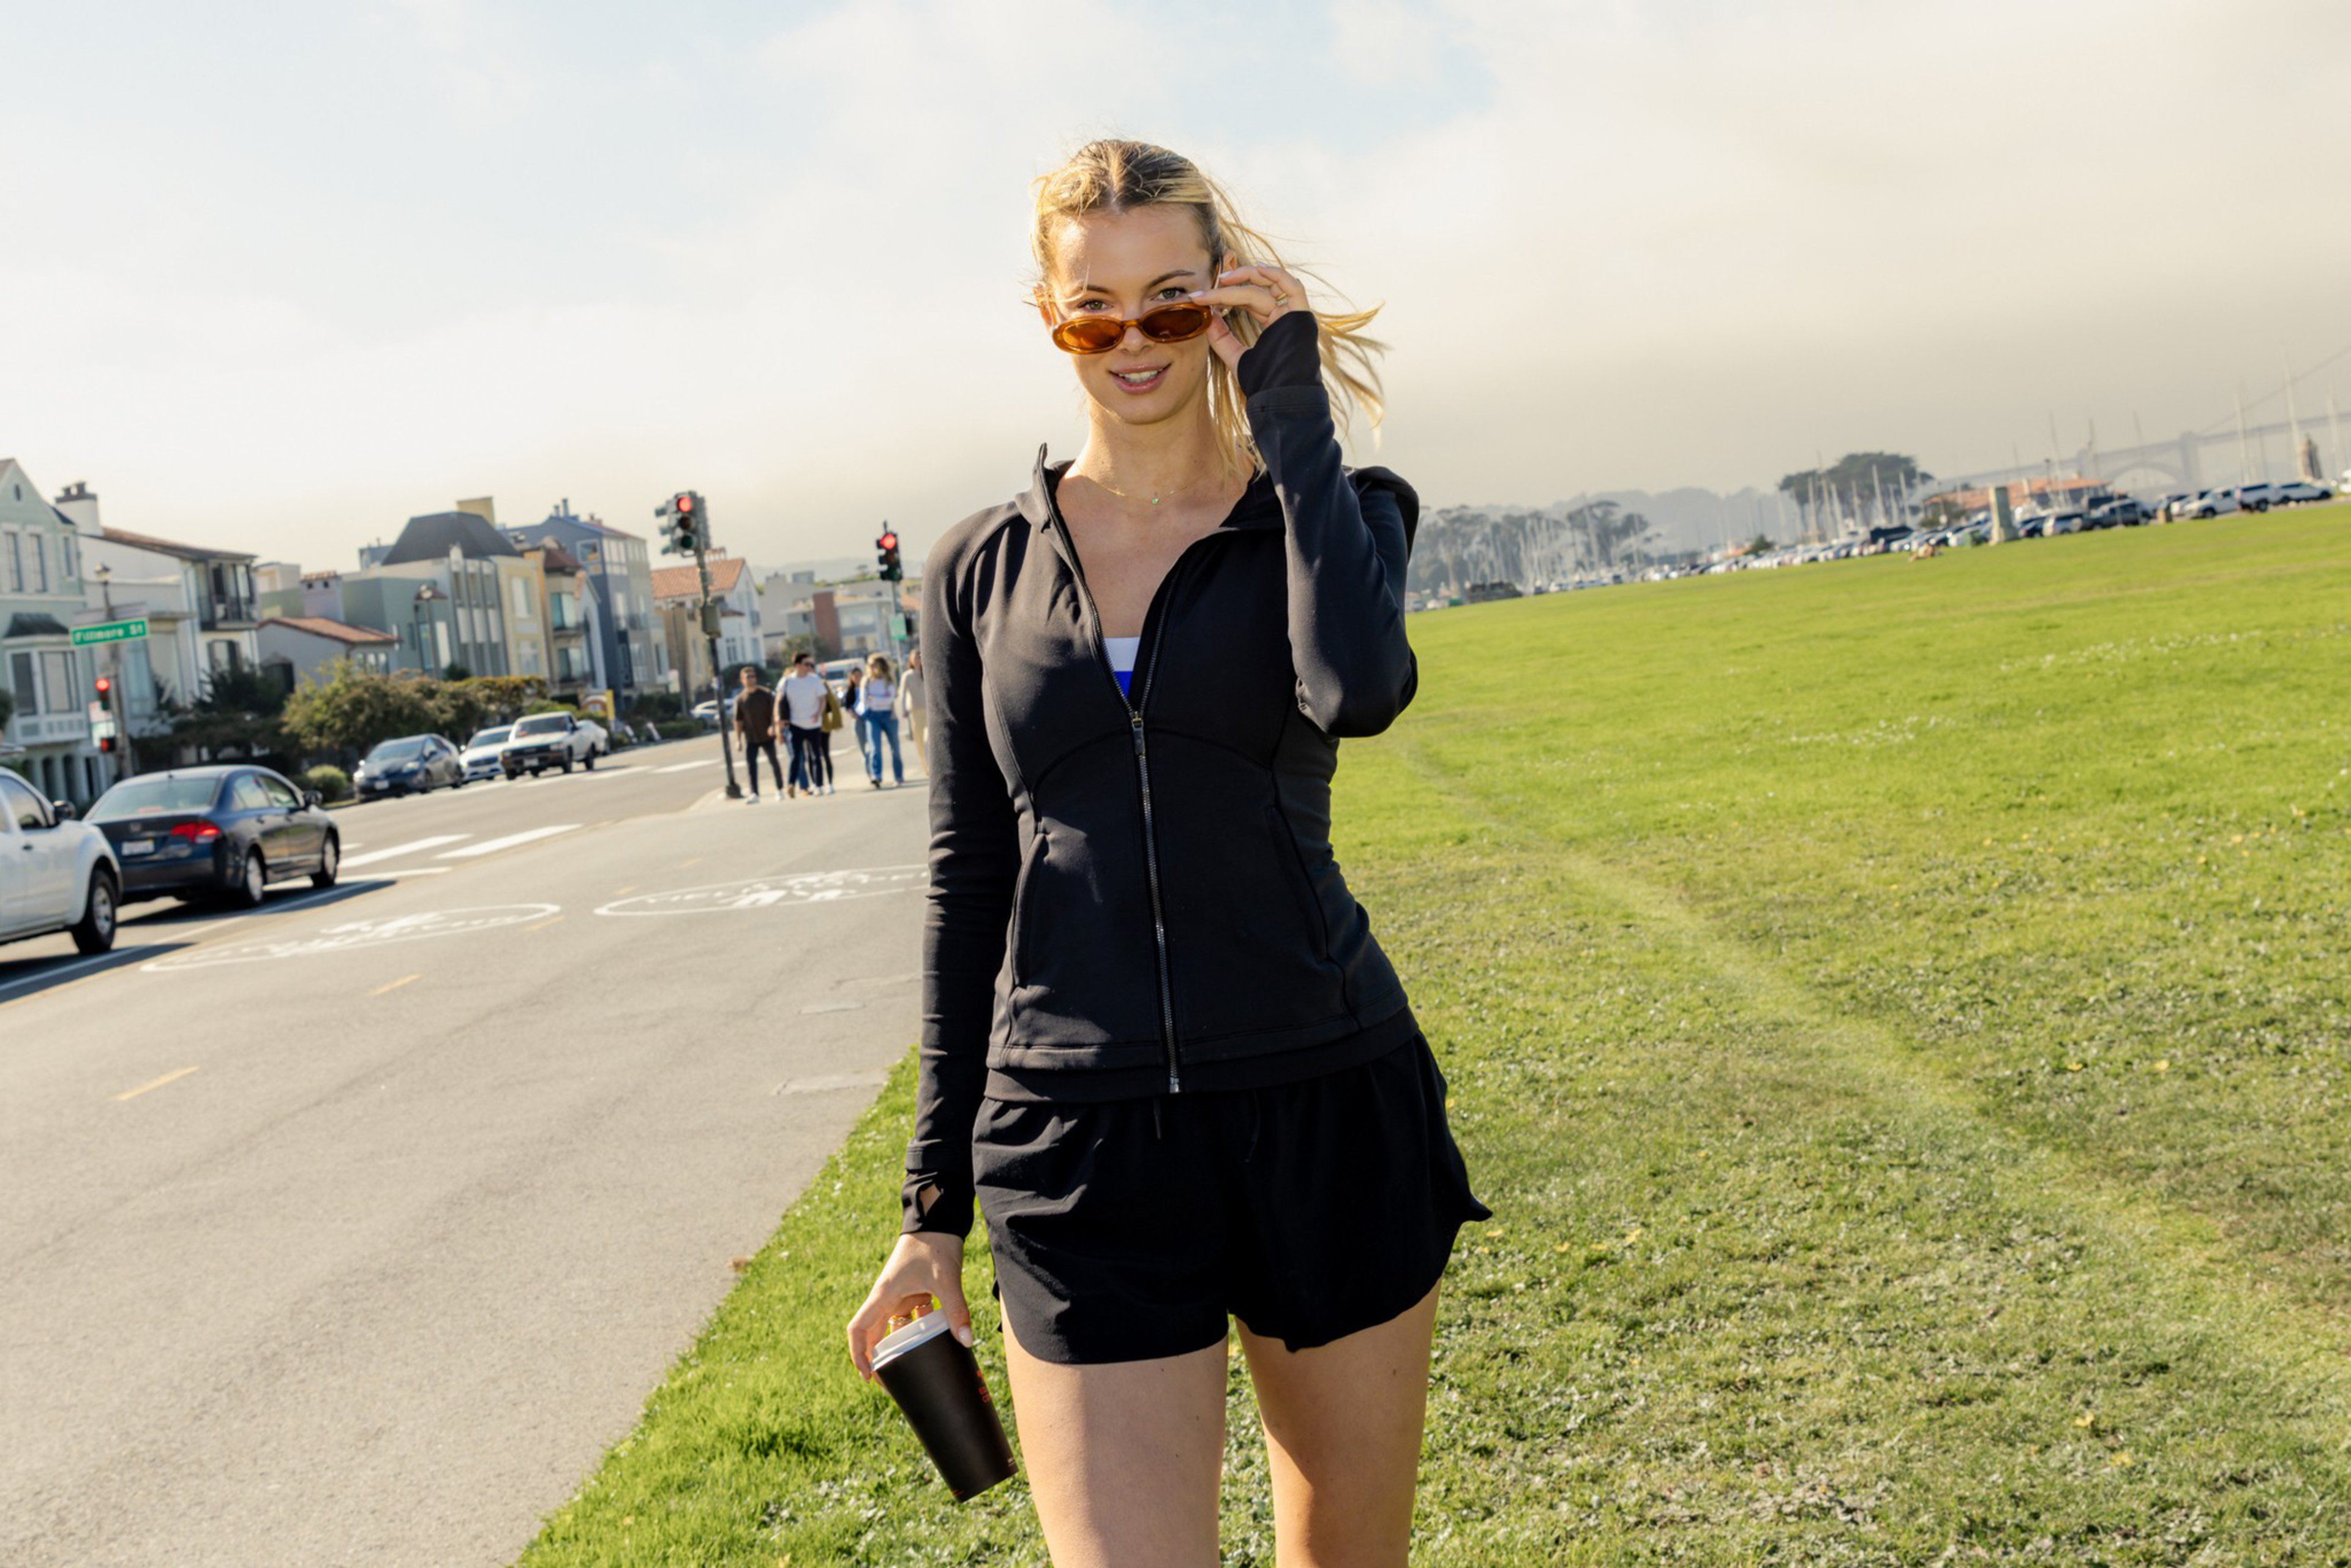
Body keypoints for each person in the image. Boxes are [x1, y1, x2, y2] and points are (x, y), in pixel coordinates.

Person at [845, 138, 1486, 1567]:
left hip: (1321, 1098)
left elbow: (1356, 689)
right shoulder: (977, 566)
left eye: (1171, 303)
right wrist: (930, 1205)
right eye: (1094, 311)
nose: (1133, 341)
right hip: (1076, 1141)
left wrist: (1290, 402)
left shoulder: (1335, 513)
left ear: (1223, 301)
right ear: (1047, 316)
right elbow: (968, 878)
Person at [776, 651, 831, 798]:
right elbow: (780, 702)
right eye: (807, 664)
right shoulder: (787, 681)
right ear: (797, 665)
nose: (809, 667)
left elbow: (823, 700)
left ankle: (818, 785)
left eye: (811, 664)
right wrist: (780, 725)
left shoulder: (815, 680)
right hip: (795, 724)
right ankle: (791, 785)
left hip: (813, 724)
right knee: (796, 756)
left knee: (816, 756)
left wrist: (818, 714)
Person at [732, 666, 781, 801]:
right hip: (751, 738)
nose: (751, 679)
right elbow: (738, 721)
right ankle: (754, 793)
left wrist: (774, 727)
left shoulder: (766, 694)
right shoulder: (740, 699)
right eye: (748, 677)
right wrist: (738, 740)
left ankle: (780, 789)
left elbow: (775, 713)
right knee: (751, 766)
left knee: (774, 762)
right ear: (742, 680)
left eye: (753, 676)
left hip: (767, 736)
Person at [860, 653, 905, 788]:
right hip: (872, 717)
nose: (870, 667)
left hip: (889, 716)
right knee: (875, 748)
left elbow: (890, 699)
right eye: (869, 665)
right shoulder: (866, 681)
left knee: (895, 748)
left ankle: (898, 776)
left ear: (880, 665)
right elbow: (865, 700)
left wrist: (875, 699)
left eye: (873, 664)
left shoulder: (888, 679)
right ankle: (876, 776)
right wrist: (880, 699)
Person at [899, 646, 928, 773]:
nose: (917, 660)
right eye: (915, 658)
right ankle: (925, 766)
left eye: (919, 657)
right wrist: (903, 710)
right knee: (919, 741)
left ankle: (931, 764)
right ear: (910, 660)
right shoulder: (907, 676)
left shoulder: (926, 672)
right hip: (915, 712)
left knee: (928, 740)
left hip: (928, 711)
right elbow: (903, 694)